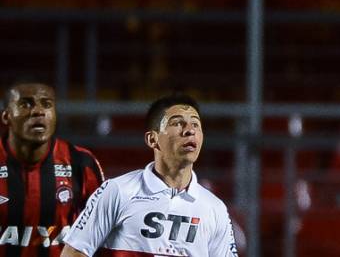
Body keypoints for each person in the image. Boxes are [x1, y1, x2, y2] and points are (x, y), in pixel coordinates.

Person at [60, 94, 238, 257]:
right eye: (177, 123)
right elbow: (74, 252)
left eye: (195, 124)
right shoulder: (117, 190)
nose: (189, 130)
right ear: (152, 139)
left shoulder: (215, 208)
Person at [0, 77, 105, 255]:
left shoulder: (81, 163)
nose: (38, 111)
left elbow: (103, 231)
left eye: (46, 104)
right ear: (6, 116)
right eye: (26, 104)